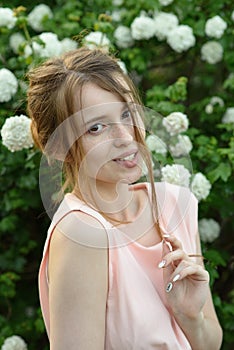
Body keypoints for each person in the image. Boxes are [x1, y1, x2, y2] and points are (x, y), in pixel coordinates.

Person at [27, 47, 223, 349]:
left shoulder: (174, 203)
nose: (126, 136)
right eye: (96, 127)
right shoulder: (82, 233)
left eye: (127, 113)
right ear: (57, 147)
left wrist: (189, 317)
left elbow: (211, 343)